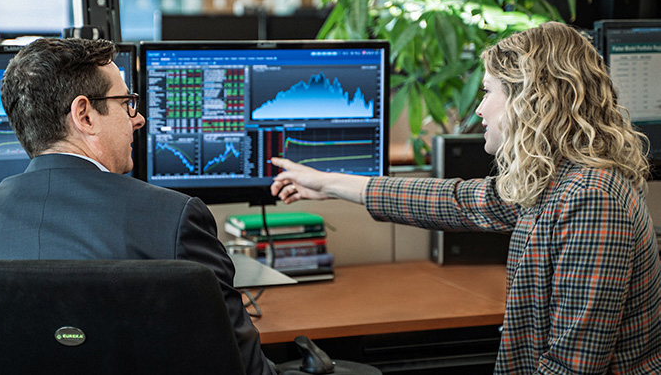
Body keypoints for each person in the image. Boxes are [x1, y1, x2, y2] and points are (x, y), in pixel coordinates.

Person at [270, 22, 661, 374]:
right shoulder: (558, 183)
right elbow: (456, 201)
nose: (479, 108)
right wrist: (330, 184)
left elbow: (572, 367)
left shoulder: (591, 199)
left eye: (488, 91)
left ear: (530, 100)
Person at [0, 38, 274, 375]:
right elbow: (244, 367)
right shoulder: (174, 218)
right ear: (84, 115)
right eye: (126, 103)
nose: (138, 118)